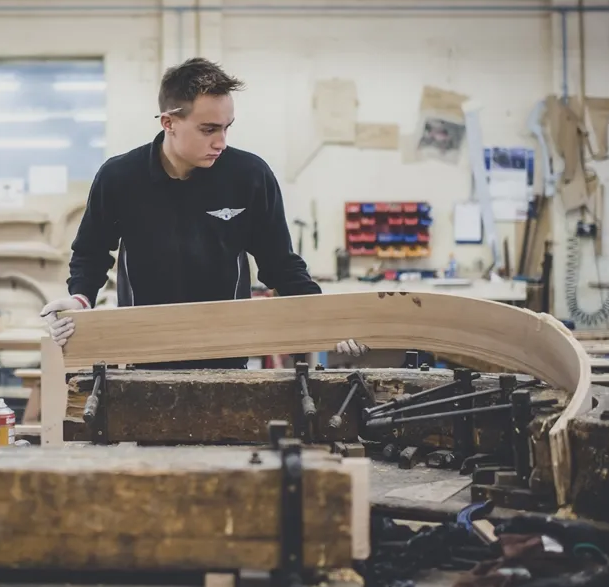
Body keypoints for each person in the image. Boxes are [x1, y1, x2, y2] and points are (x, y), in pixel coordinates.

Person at [40, 57, 366, 367]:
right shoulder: (120, 178)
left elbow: (280, 263)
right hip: (143, 351)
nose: (221, 142)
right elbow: (91, 254)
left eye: (226, 128)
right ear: (169, 123)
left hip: (226, 352)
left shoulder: (249, 176)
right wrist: (80, 299)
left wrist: (329, 319)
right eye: (208, 130)